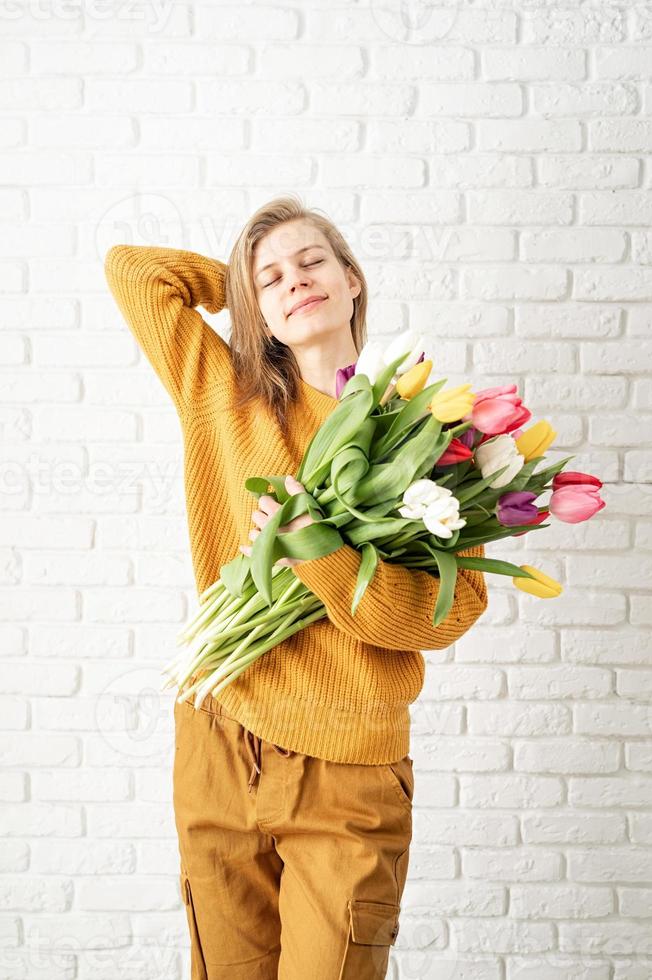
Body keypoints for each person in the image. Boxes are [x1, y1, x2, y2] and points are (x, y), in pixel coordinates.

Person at [104, 194, 488, 980]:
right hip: (219, 732)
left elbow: (444, 614)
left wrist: (320, 553)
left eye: (313, 263)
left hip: (347, 766)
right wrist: (245, 299)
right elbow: (133, 273)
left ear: (354, 280)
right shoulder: (226, 396)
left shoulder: (429, 436)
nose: (295, 282)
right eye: (270, 278)